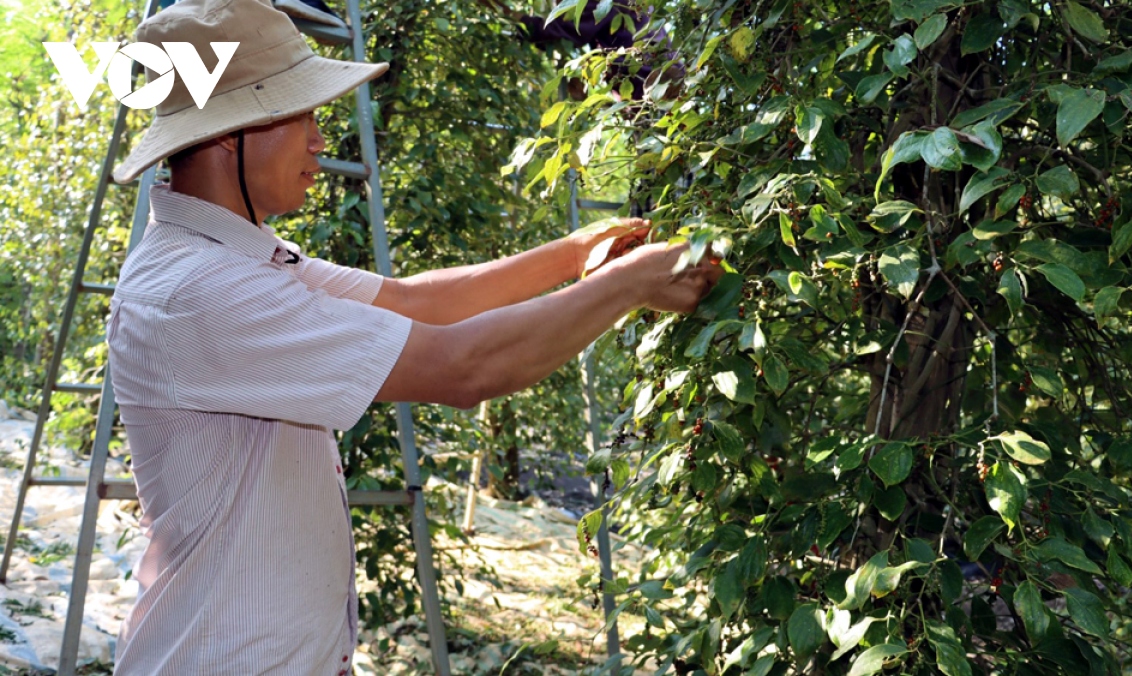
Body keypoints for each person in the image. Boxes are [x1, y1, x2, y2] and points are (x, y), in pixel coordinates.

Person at [102, 0, 722, 673]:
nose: (318, 139)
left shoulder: (235, 261)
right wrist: (629, 283)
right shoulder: (200, 292)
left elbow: (418, 300)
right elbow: (463, 368)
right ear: (232, 133)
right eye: (303, 114)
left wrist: (574, 255)